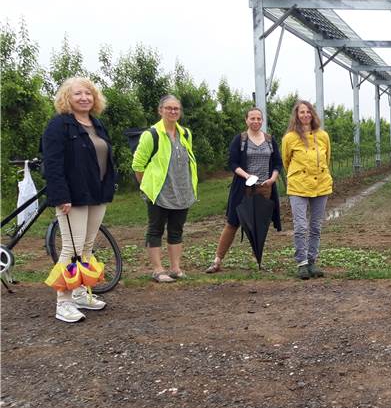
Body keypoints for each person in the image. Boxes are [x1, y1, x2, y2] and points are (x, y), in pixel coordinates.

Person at [42, 77, 116, 322]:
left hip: (97, 194)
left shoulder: (97, 124)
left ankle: (80, 293)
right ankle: (62, 302)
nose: (84, 97)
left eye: (88, 93)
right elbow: (52, 165)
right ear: (67, 98)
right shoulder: (59, 125)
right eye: (77, 94)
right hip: (72, 197)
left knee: (85, 248)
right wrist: (60, 196)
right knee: (71, 250)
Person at [205, 107, 283, 273]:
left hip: (264, 189)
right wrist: (246, 176)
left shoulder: (270, 140)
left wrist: (273, 178)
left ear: (262, 121)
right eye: (252, 119)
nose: (255, 122)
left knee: (260, 224)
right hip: (243, 188)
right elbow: (232, 163)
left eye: (258, 119)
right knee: (233, 223)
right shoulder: (240, 140)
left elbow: (277, 163)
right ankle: (217, 260)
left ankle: (257, 259)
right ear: (246, 120)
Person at [132, 94, 198, 283]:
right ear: (160, 110)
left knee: (177, 230)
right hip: (159, 193)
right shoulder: (151, 134)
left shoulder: (185, 133)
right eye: (168, 108)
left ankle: (176, 268)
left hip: (183, 190)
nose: (173, 111)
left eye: (176, 108)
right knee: (155, 230)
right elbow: (138, 165)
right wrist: (147, 188)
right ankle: (158, 270)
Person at [281, 100, 332, 280]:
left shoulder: (323, 136)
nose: (305, 115)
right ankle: (301, 262)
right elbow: (286, 162)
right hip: (298, 186)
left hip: (321, 185)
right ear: (296, 115)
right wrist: (298, 176)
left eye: (308, 112)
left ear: (313, 114)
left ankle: (312, 261)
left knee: (316, 226)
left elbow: (327, 157)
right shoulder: (289, 138)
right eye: (301, 112)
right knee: (301, 226)